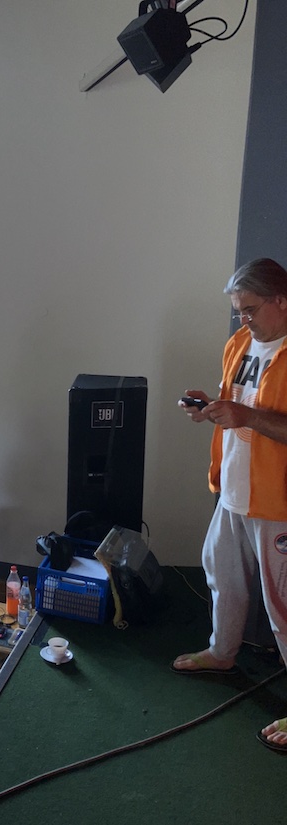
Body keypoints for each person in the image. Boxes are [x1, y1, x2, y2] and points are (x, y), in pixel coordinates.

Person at [175, 258, 287, 752]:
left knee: (283, 607)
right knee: (221, 575)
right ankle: (222, 653)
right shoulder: (239, 343)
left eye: (250, 309)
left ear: (282, 300)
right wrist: (212, 410)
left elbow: (260, 419)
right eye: (238, 310)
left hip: (278, 502)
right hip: (234, 490)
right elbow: (237, 407)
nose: (243, 319)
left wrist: (246, 415)